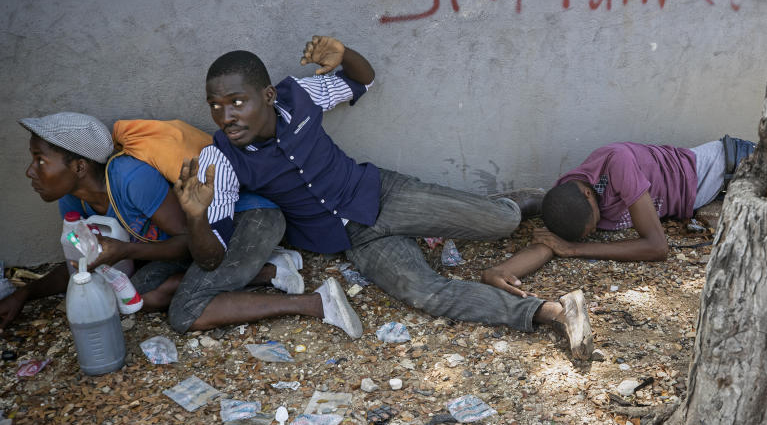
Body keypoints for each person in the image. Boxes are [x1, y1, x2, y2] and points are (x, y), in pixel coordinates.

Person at [175, 35, 592, 355]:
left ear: (267, 95)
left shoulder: (299, 95)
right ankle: (549, 312)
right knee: (427, 293)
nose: (225, 116)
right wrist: (195, 216)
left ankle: (516, 203)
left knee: (502, 222)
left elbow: (363, 79)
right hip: (356, 240)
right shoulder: (219, 161)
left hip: (382, 194)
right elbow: (211, 259)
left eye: (236, 102)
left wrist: (345, 51)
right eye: (215, 106)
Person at [0, 112, 304, 331]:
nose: (30, 171)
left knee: (185, 310)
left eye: (40, 161)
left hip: (245, 219)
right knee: (137, 294)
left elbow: (190, 242)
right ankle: (269, 271)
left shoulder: (131, 178)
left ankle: (313, 303)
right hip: (205, 244)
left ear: (80, 166)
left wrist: (125, 251)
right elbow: (79, 266)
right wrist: (24, 294)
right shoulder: (73, 199)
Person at [480, 138, 756, 296]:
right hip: (715, 193)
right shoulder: (571, 199)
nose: (596, 229)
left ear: (589, 196)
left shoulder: (617, 163)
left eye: (592, 227)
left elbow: (657, 247)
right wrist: (501, 271)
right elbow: (550, 245)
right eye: (589, 233)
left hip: (730, 166)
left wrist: (575, 249)